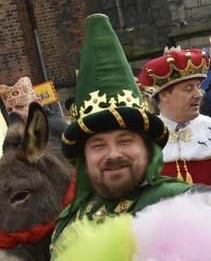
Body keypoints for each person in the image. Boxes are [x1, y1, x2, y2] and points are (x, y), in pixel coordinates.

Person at [55, 13, 192, 240]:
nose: (113, 154)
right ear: (83, 160)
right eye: (98, 146)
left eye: (125, 140)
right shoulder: (69, 226)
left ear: (148, 148)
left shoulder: (185, 205)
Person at [138, 49, 211, 190]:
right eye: (188, 89)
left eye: (198, 87)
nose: (198, 94)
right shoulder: (141, 144)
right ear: (164, 95)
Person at [0, 76, 68, 144]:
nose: (13, 113)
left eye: (21, 106)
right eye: (9, 110)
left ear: (37, 103)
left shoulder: (48, 127)